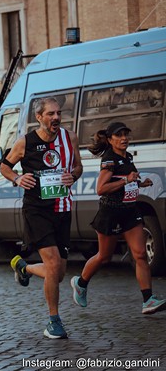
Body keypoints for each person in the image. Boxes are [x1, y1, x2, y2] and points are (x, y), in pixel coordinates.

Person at [0, 96, 82, 339]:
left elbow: (78, 167)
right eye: (50, 114)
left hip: (62, 209)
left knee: (58, 273)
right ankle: (54, 322)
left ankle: (24, 267)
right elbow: (4, 166)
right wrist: (16, 178)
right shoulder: (25, 143)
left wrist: (73, 176)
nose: (56, 118)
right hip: (37, 210)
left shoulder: (70, 138)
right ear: (39, 117)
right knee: (53, 264)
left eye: (58, 113)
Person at [71, 122, 166, 314]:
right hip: (111, 212)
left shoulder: (128, 156)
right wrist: (126, 180)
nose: (124, 138)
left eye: (126, 134)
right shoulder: (109, 160)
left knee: (140, 254)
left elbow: (127, 182)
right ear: (110, 139)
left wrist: (140, 183)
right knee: (104, 256)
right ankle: (80, 283)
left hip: (130, 211)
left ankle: (148, 299)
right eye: (119, 135)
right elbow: (101, 189)